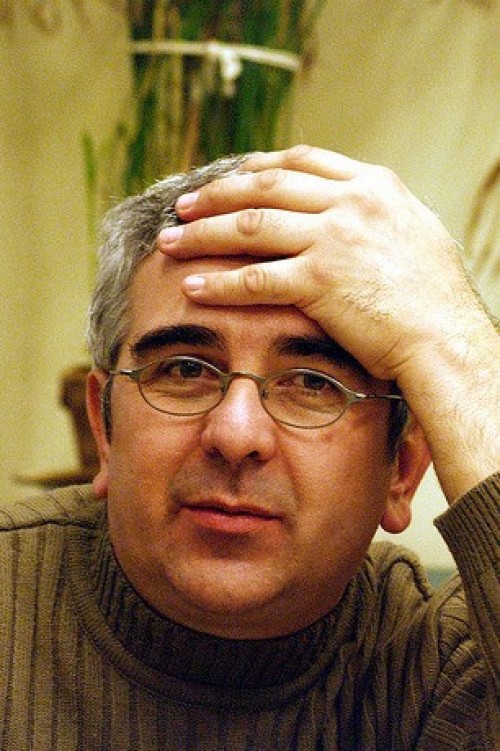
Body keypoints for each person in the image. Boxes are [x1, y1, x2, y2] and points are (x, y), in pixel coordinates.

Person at [1, 146, 498, 750]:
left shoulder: (446, 667)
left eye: (313, 384)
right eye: (185, 370)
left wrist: (456, 344)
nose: (236, 435)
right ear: (105, 429)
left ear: (402, 468)